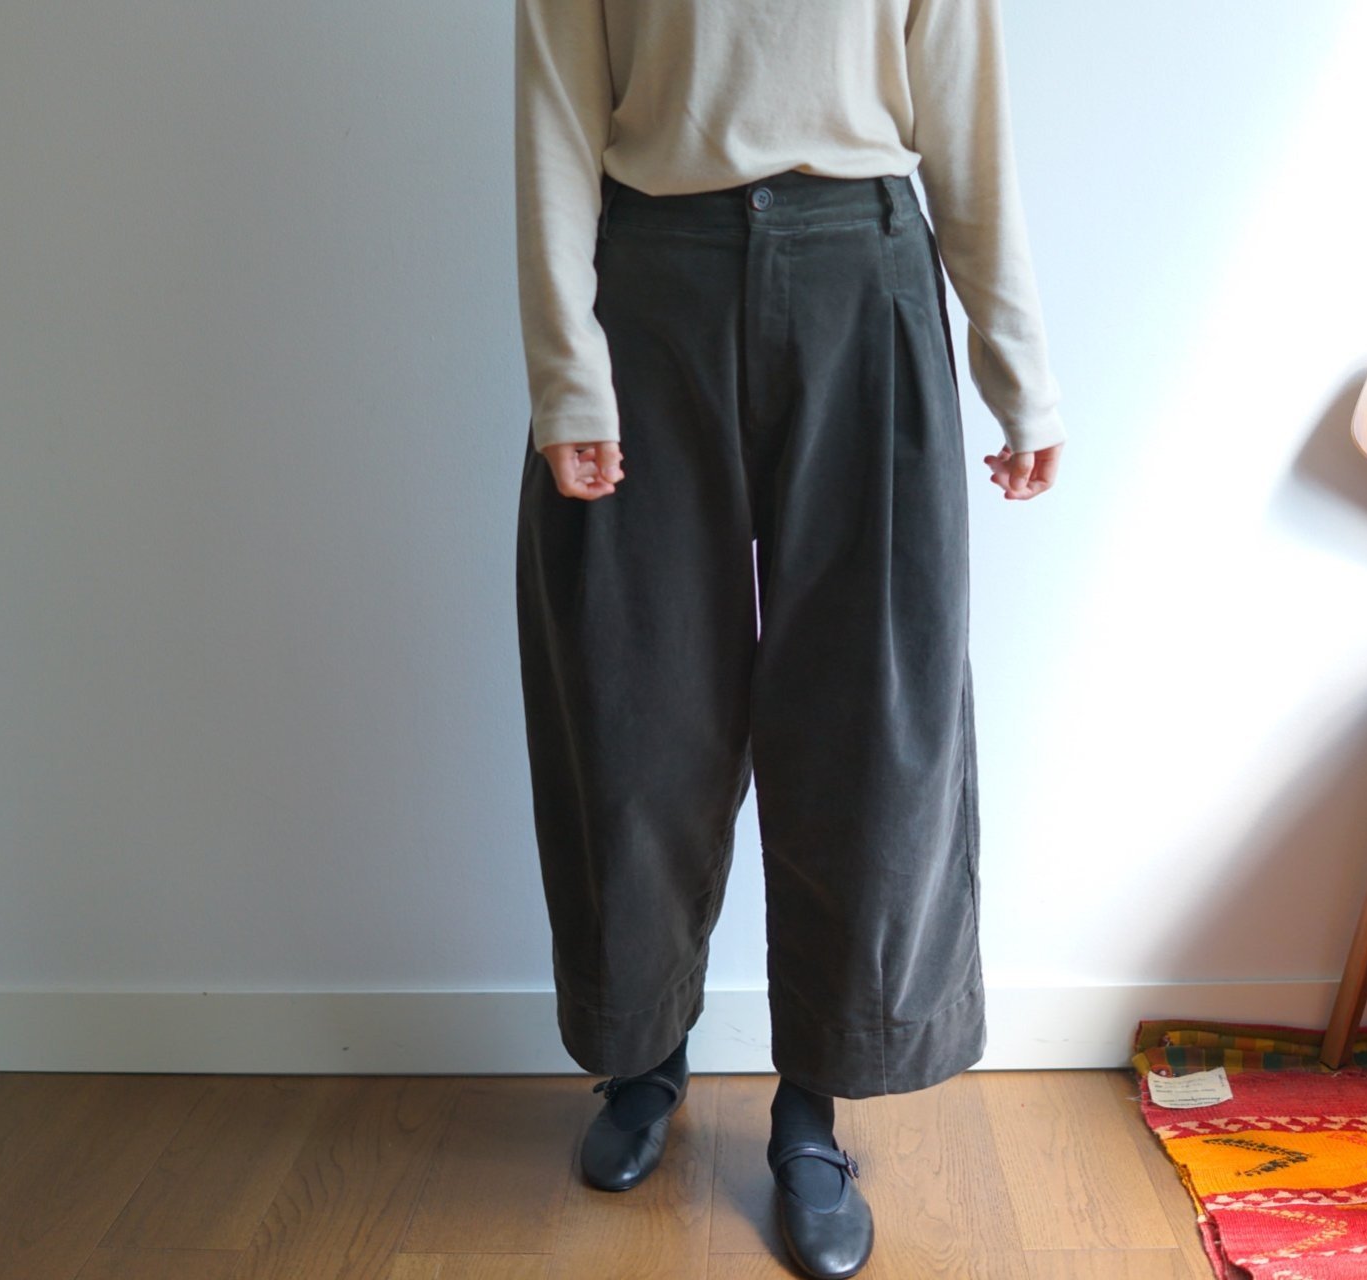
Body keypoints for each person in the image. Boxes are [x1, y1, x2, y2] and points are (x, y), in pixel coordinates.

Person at [511, 2, 1064, 1275]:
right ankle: (642, 1051)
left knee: (866, 718)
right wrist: (566, 373)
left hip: (860, 277)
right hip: (650, 283)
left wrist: (1019, 368)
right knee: (632, 700)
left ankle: (815, 1098)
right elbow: (554, 122)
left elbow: (966, 125)